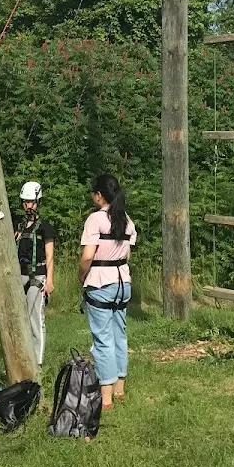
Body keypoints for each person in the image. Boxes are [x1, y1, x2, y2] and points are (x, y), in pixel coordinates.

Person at [78, 174, 136, 411]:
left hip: (100, 282)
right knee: (119, 334)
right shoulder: (126, 220)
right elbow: (127, 254)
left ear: (99, 195)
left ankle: (106, 397)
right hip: (123, 283)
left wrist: (82, 276)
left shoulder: (95, 219)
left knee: (103, 339)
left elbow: (88, 256)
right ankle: (119, 388)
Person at [14, 181, 55, 366]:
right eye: (25, 202)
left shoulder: (45, 227)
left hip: (38, 275)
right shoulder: (18, 226)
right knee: (19, 318)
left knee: (35, 319)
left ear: (38, 202)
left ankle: (37, 363)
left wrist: (49, 281)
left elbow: (50, 255)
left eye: (31, 202)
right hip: (19, 274)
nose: (28, 206)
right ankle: (22, 358)